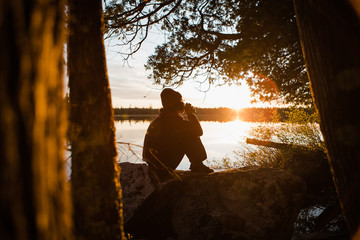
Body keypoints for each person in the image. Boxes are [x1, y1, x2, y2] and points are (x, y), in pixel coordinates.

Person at [143, 88, 213, 179]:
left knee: (188, 132)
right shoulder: (171, 120)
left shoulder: (163, 118)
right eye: (181, 101)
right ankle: (197, 164)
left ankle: (197, 164)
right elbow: (198, 131)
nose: (183, 103)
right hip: (162, 167)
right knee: (191, 136)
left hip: (156, 165)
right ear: (176, 104)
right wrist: (190, 114)